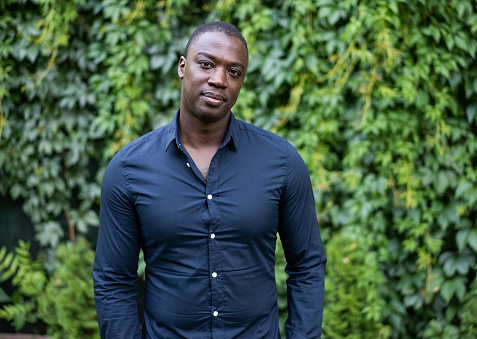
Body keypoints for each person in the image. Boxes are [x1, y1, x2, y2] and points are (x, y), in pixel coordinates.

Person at [93, 21, 326, 339]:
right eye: (206, 64)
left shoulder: (282, 162)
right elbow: (114, 279)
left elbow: (307, 265)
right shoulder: (128, 169)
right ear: (182, 67)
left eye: (234, 72)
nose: (219, 80)